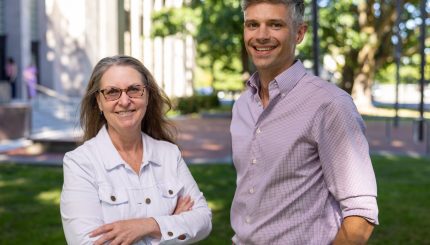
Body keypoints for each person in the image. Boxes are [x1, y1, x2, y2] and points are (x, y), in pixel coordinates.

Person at [230, 1, 378, 244]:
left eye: (275, 25)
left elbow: (361, 212)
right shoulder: (242, 106)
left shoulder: (330, 104)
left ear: (299, 33)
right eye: (252, 25)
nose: (261, 35)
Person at [60, 55, 212, 244]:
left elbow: (203, 220)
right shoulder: (80, 162)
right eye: (112, 92)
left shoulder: (169, 154)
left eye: (134, 90)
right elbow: (85, 242)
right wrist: (171, 225)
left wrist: (147, 225)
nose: (124, 101)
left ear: (147, 95)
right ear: (98, 101)